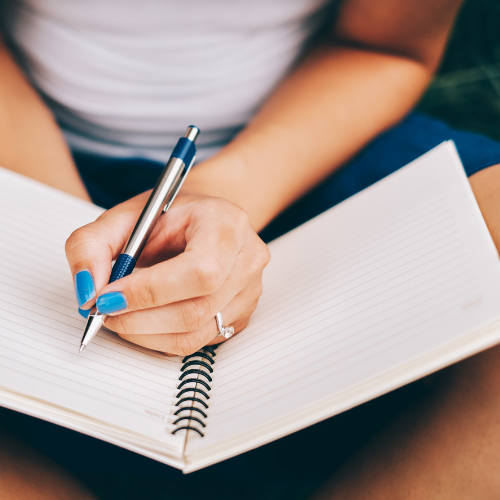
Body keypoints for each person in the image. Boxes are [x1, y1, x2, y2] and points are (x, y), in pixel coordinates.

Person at [2, 0, 500, 498]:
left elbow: (388, 49)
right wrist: (57, 213)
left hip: (318, 135)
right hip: (21, 146)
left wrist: (227, 194)